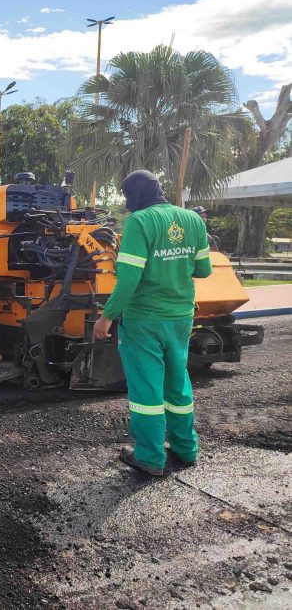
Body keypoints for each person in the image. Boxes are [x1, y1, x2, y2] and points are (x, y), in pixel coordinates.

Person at [94, 170, 212, 477]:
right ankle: (186, 449)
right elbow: (203, 270)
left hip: (144, 319)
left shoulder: (139, 222)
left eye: (127, 196)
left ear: (136, 195)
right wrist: (173, 265)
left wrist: (107, 317)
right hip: (180, 317)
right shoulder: (193, 220)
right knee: (177, 384)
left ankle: (150, 457)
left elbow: (129, 277)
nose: (127, 203)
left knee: (147, 391)